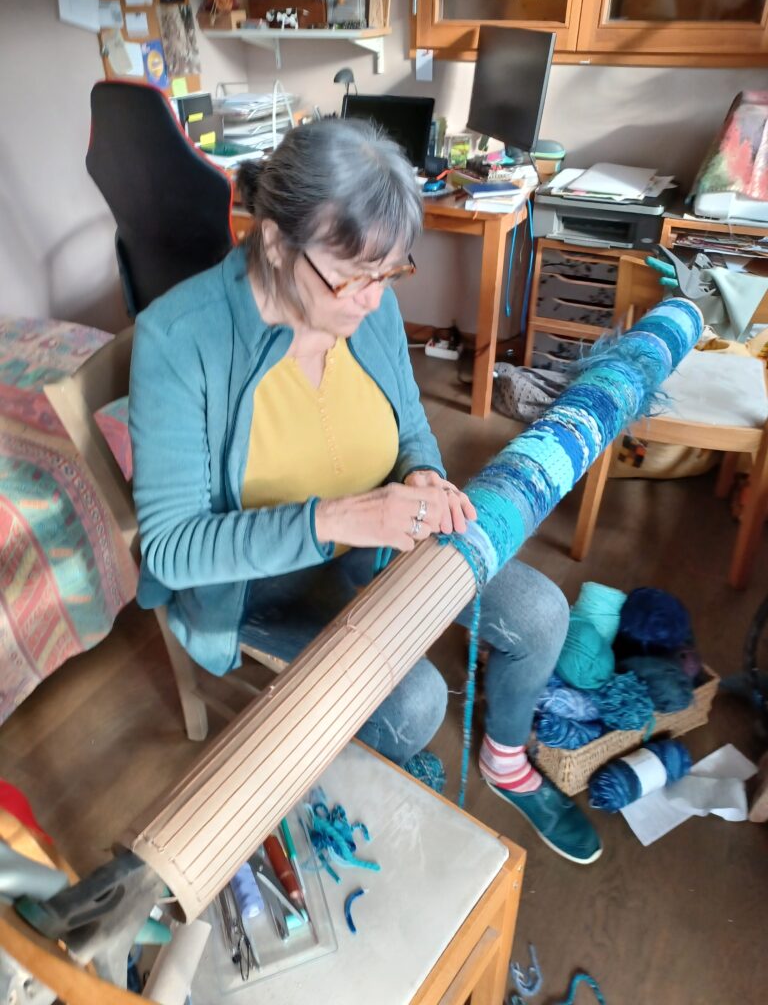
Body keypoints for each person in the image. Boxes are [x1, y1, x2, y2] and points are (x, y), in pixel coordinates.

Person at [129, 119, 601, 864]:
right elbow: (170, 549)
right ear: (276, 244)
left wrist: (421, 474)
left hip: (376, 536)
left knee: (542, 614)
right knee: (415, 701)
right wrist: (337, 518)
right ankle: (361, 791)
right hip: (260, 584)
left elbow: (410, 424)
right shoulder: (178, 339)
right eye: (353, 277)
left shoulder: (366, 303)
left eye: (390, 273)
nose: (375, 301)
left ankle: (506, 757)